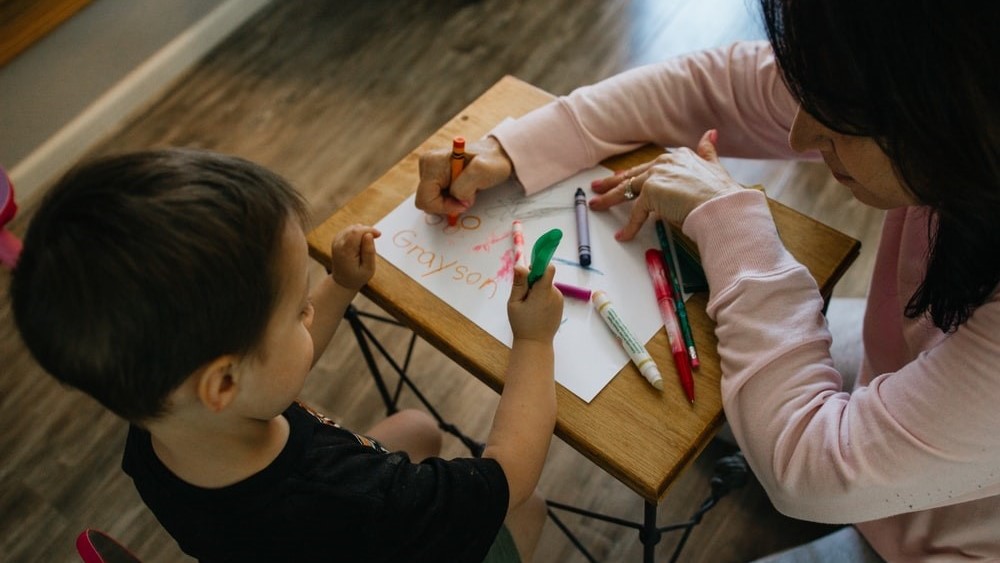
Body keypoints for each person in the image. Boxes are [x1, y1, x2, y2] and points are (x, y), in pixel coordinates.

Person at [414, 0, 999, 560]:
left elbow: (811, 469)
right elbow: (713, 85)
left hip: (956, 540)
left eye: (838, 122)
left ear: (950, 109)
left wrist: (733, 223)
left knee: (753, 424)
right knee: (725, 407)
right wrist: (510, 149)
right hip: (905, 371)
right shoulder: (943, 85)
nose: (798, 137)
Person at [10, 148, 564, 563]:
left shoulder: (159, 422)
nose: (309, 313)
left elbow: (266, 371)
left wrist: (339, 285)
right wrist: (535, 341)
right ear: (222, 384)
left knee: (418, 427)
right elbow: (509, 475)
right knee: (531, 506)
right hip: (360, 532)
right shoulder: (353, 495)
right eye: (299, 309)